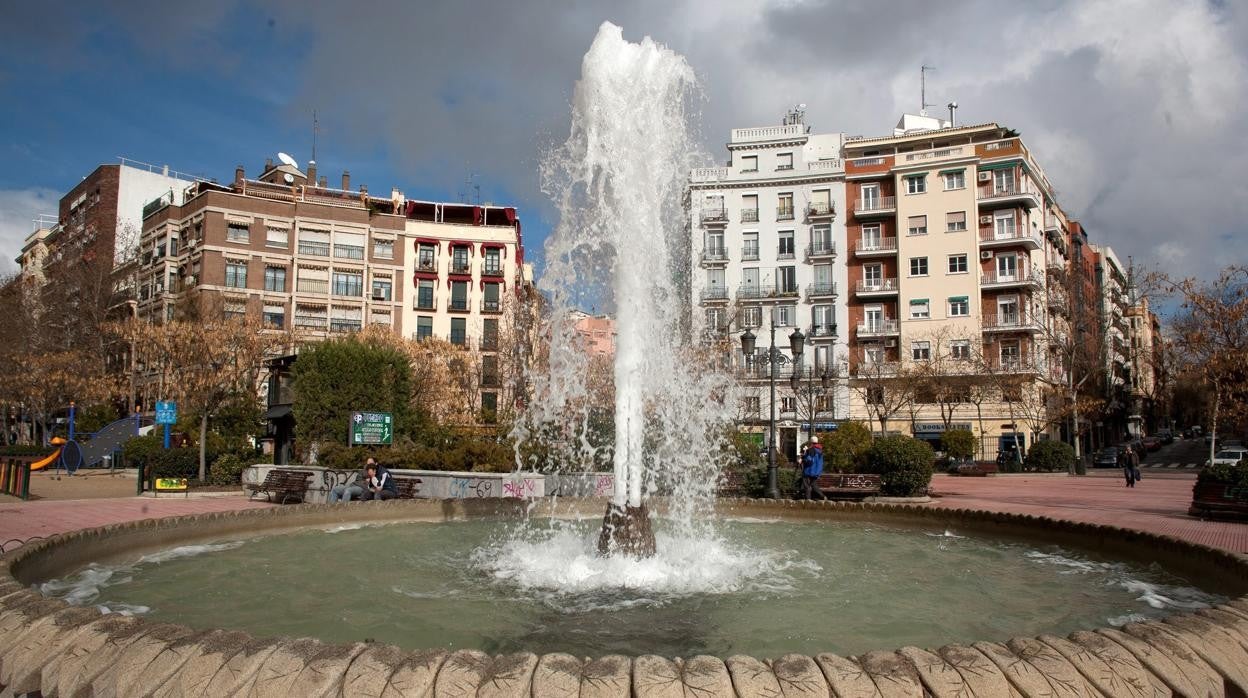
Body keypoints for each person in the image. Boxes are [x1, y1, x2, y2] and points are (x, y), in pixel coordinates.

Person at [800, 436, 826, 501]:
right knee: (813, 485)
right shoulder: (820, 450)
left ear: (811, 442)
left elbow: (809, 460)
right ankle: (823, 497)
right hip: (817, 471)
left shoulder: (811, 450)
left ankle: (808, 500)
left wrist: (803, 458)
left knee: (806, 485)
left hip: (809, 470)